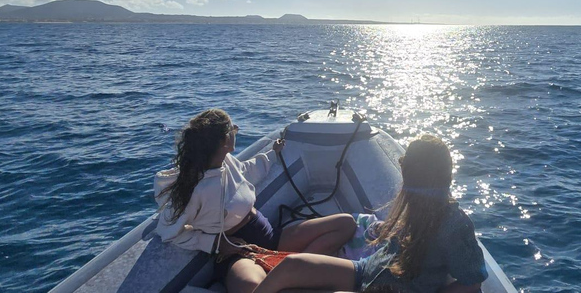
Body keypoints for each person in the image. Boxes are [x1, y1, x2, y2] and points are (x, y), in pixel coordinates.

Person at [250, 135, 488, 293]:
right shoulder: (416, 206)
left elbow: (472, 281)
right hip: (366, 270)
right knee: (291, 265)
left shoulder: (455, 225)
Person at [154, 108, 356, 293]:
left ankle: (292, 273)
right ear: (225, 140)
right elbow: (167, 231)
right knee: (254, 288)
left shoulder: (225, 162)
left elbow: (247, 171)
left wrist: (272, 154)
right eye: (233, 128)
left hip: (268, 236)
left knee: (346, 224)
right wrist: (215, 243)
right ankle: (292, 272)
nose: (237, 129)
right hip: (238, 252)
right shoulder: (193, 188)